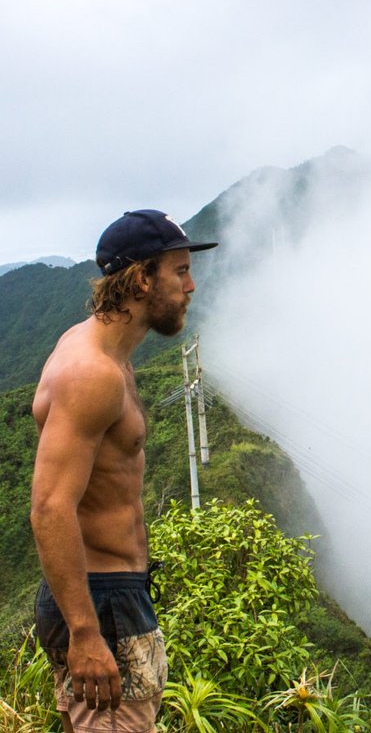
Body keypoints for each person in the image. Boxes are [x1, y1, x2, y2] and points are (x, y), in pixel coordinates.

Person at [30, 209, 217, 733]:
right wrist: (87, 634)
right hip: (102, 602)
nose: (191, 285)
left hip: (107, 596)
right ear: (141, 278)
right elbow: (48, 507)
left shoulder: (107, 354)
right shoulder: (91, 374)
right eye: (179, 271)